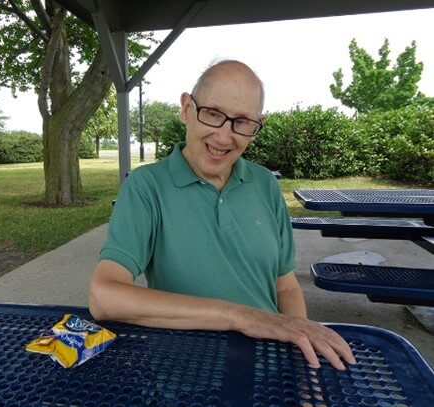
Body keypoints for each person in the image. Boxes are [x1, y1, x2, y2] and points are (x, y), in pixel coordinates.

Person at [88, 60, 356, 371]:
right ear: (187, 109)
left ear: (257, 126)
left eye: (242, 122)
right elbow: (104, 296)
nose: (224, 137)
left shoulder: (266, 184)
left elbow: (285, 286)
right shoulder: (146, 188)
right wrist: (242, 317)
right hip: (186, 376)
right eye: (213, 114)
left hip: (268, 370)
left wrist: (302, 364)